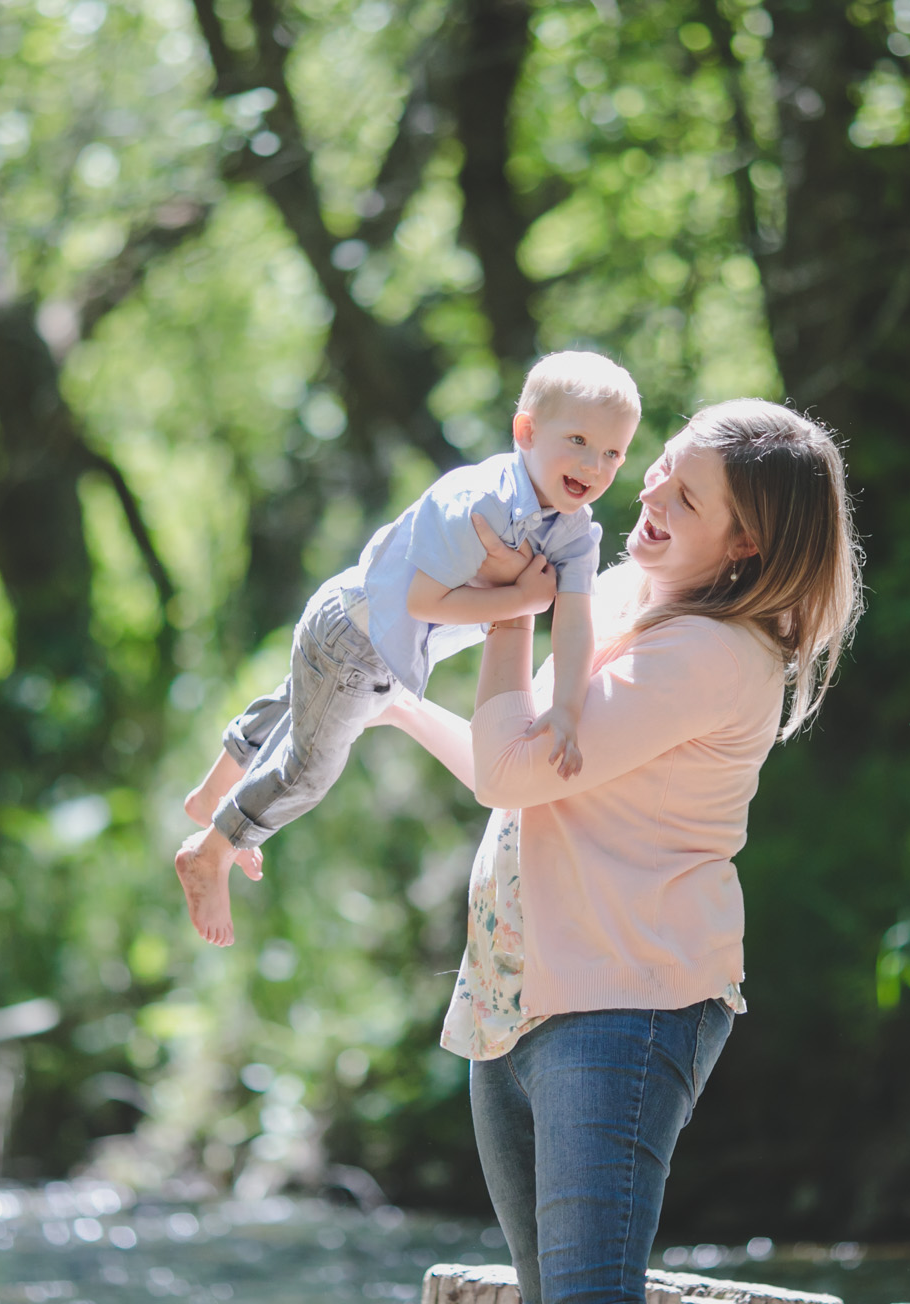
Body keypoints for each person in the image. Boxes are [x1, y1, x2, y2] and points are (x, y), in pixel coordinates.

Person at [372, 399, 862, 1304]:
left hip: (620, 1006)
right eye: (664, 463)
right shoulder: (632, 599)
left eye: (689, 494)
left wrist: (515, 605)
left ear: (745, 543)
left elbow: (510, 771)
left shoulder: (713, 654)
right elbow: (508, 761)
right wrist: (395, 704)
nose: (652, 489)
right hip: (517, 996)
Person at [176, 352, 642, 947]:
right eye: (577, 440)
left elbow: (577, 621)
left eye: (612, 453)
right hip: (357, 640)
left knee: (297, 704)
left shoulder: (574, 532)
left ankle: (214, 791)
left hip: (356, 628)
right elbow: (425, 600)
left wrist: (570, 707)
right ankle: (212, 849)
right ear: (526, 432)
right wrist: (521, 598)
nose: (592, 464)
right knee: (309, 767)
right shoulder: (477, 500)